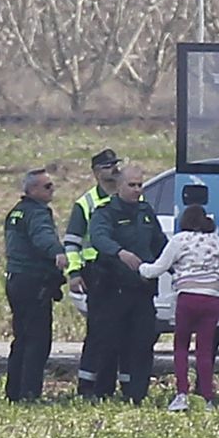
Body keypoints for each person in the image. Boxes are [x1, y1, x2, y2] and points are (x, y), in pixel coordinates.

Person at [89, 165, 169, 405]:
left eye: (140, 185)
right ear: (120, 187)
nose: (137, 190)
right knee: (109, 343)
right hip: (114, 289)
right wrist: (120, 252)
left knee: (142, 343)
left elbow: (160, 245)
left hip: (142, 290)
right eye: (132, 185)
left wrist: (178, 264)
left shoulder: (145, 212)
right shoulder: (106, 212)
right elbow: (99, 238)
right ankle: (103, 392)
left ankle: (137, 392)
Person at [140, 204, 219, 411]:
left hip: (188, 298)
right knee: (204, 351)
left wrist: (140, 267)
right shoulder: (215, 240)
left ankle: (182, 395)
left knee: (181, 347)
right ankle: (207, 398)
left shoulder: (179, 240)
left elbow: (156, 269)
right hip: (212, 299)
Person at [3, 167, 68, 402]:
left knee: (22, 338)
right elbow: (42, 237)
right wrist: (58, 253)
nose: (53, 190)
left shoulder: (16, 213)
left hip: (15, 280)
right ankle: (29, 393)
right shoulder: (38, 213)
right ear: (32, 190)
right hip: (33, 282)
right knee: (38, 341)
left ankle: (14, 392)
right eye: (47, 186)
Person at [65, 148, 122, 398]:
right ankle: (87, 385)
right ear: (97, 173)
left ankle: (111, 386)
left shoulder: (129, 196)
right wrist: (74, 273)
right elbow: (72, 242)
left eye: (116, 164)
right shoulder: (85, 203)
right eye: (109, 166)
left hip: (122, 273)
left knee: (121, 332)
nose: (115, 169)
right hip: (96, 273)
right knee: (98, 332)